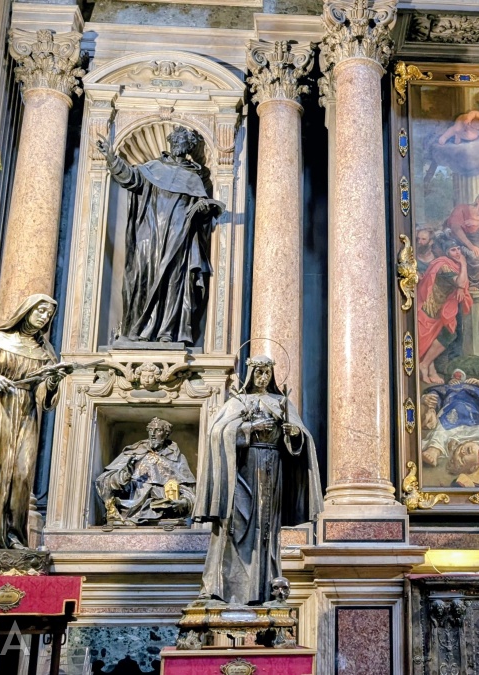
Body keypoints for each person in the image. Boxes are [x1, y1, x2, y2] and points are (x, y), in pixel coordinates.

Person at [194, 356, 321, 606]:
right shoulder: (238, 402)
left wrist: (294, 434)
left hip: (273, 468)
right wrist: (249, 428)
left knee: (266, 528)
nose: (263, 378)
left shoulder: (281, 402)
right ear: (251, 374)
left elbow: (301, 440)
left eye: (267, 373)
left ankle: (264, 590)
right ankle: (222, 589)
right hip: (243, 468)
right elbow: (217, 433)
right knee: (235, 524)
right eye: (259, 373)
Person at [0, 295, 72, 550]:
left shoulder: (44, 352)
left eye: (48, 314)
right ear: (26, 310)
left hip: (25, 413)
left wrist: (53, 381)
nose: (44, 317)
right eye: (40, 310)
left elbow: (43, 395)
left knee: (21, 473)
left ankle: (13, 534)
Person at [97, 126, 224, 346]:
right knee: (142, 276)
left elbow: (202, 215)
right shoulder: (153, 168)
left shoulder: (194, 177)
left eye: (183, 141)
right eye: (176, 140)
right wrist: (112, 158)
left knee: (174, 280)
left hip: (179, 234)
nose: (178, 144)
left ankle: (167, 331)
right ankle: (139, 330)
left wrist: (204, 208)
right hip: (149, 232)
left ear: (189, 147)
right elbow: (130, 178)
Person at [96, 417, 196, 525]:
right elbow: (104, 481)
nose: (153, 434)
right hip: (132, 507)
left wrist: (183, 502)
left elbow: (189, 492)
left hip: (164, 511)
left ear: (166, 434)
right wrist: (123, 476)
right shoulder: (134, 453)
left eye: (158, 430)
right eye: (150, 430)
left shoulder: (177, 458)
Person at [417, 232, 472, 384]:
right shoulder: (443, 265)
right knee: (445, 335)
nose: (458, 253)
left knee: (443, 336)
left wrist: (460, 288)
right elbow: (460, 282)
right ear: (447, 252)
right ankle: (425, 365)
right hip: (430, 309)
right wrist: (464, 265)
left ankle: (428, 368)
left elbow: (461, 284)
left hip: (440, 308)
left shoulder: (453, 265)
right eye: (453, 250)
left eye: (458, 249)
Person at [444, 193, 479, 288]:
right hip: (459, 240)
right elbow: (456, 229)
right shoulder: (462, 209)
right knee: (475, 256)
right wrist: (471, 246)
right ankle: (472, 283)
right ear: (478, 200)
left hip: (476, 240)